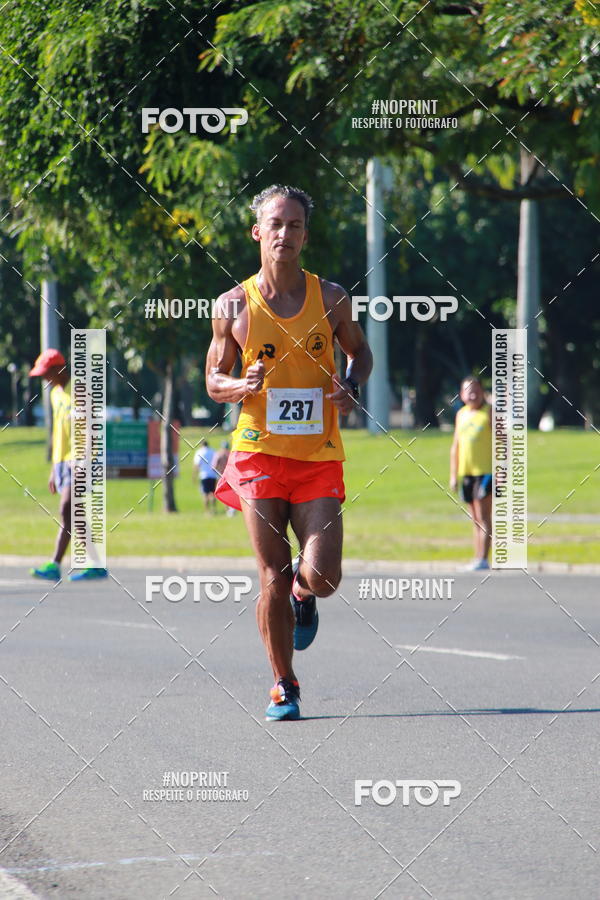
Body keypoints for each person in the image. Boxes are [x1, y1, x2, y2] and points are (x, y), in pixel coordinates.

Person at [206, 184, 372, 721]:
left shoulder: (332, 298)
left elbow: (361, 353)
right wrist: (240, 387)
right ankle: (284, 684)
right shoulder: (232, 305)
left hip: (318, 456)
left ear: (305, 234)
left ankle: (307, 595)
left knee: (322, 574)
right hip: (257, 456)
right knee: (272, 573)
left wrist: (351, 384)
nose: (284, 233)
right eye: (275, 224)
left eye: (294, 225)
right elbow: (213, 379)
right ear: (258, 232)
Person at [29, 348, 108, 581]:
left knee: (67, 509)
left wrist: (83, 460)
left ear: (59, 369)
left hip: (83, 460)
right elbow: (58, 432)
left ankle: (59, 564)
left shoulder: (80, 391)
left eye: (47, 373)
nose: (44, 378)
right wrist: (55, 468)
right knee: (72, 513)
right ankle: (91, 564)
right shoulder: (55, 394)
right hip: (64, 462)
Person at [450, 375, 493, 570]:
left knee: (484, 516)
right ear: (461, 394)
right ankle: (478, 557)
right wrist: (453, 475)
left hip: (485, 472)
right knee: (474, 518)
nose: (473, 393)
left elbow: (502, 443)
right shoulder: (461, 415)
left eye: (476, 389)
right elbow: (456, 446)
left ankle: (483, 558)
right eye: (468, 390)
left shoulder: (489, 413)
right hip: (466, 473)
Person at [193, 439, 217, 512]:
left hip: (204, 475)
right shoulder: (213, 451)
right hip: (213, 475)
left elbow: (197, 464)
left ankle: (207, 510)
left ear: (201, 445)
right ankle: (214, 509)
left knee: (205, 494)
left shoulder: (199, 452)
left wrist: (194, 475)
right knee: (212, 493)